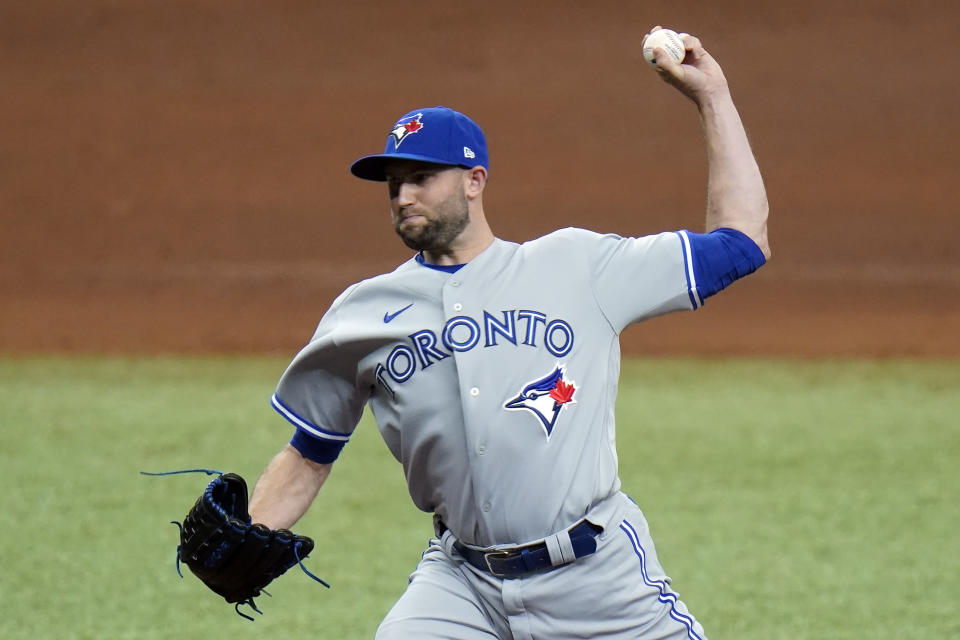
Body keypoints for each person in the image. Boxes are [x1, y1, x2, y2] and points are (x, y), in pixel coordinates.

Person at [247, 27, 770, 640]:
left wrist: (714, 99)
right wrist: (254, 533)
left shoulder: (577, 266)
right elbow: (309, 452)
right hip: (462, 584)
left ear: (475, 180)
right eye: (394, 182)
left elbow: (741, 241)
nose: (403, 194)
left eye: (422, 177)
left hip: (595, 577)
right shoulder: (362, 313)